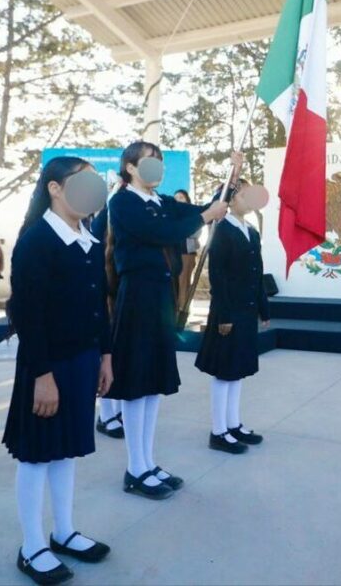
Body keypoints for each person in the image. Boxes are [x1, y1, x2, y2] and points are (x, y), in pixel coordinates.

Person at [105, 142, 238, 500]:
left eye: (160, 161)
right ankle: (135, 468)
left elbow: (197, 210)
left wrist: (231, 176)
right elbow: (165, 233)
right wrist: (206, 216)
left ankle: (147, 463)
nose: (157, 168)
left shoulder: (159, 202)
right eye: (150, 161)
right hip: (137, 298)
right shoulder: (123, 202)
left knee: (152, 385)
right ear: (130, 167)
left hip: (159, 298)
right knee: (136, 386)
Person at [3, 156, 114, 584]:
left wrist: (105, 355)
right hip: (46, 366)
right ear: (54, 187)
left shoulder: (87, 238)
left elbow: (99, 307)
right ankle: (32, 546)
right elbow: (28, 317)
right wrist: (42, 376)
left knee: (66, 450)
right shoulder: (36, 241)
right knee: (37, 456)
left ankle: (63, 531)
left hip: (83, 361)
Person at [195, 183, 270, 454]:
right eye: (241, 194)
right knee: (224, 372)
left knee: (238, 370)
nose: (247, 198)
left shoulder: (250, 231)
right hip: (229, 310)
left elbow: (257, 271)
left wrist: (263, 307)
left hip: (247, 308)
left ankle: (233, 424)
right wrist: (224, 315)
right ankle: (218, 431)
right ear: (229, 200)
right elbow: (218, 275)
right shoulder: (222, 229)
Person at [90, 188, 124, 441]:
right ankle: (106, 413)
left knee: (124, 356)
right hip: (109, 292)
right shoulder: (106, 214)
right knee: (111, 355)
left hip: (127, 293)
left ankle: (118, 409)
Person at [174, 189, 203, 312]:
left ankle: (183, 311)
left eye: (181, 197)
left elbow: (195, 232)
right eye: (176, 197)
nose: (178, 199)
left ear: (187, 199)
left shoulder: (192, 214)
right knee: (173, 284)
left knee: (183, 282)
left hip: (186, 252)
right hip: (173, 253)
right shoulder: (171, 214)